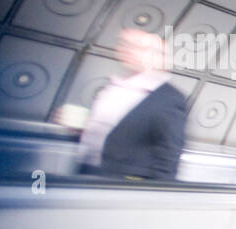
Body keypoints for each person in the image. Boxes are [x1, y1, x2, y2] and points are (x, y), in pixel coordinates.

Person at [64, 27, 187, 180]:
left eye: (139, 48)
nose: (129, 50)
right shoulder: (110, 87)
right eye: (125, 44)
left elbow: (169, 153)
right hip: (88, 172)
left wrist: (158, 194)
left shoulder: (169, 98)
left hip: (124, 185)